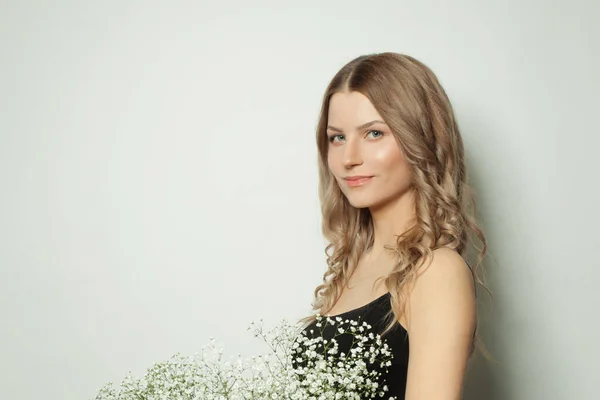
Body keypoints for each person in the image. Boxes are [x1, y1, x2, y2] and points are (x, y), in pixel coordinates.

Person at [296, 52, 490, 399]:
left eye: (373, 133)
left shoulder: (436, 271)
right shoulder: (353, 265)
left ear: (422, 139)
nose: (349, 158)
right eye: (336, 137)